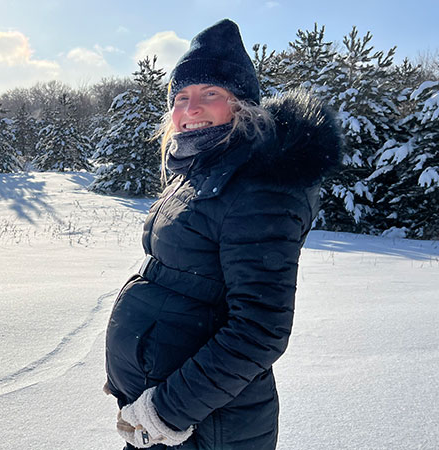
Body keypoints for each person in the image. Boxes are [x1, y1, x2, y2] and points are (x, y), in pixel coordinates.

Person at [103, 19, 343, 449]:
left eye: (210, 93)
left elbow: (259, 329)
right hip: (167, 414)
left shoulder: (260, 186)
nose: (190, 109)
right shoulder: (205, 170)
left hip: (206, 426)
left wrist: (165, 410)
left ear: (242, 103)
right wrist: (134, 368)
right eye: (181, 96)